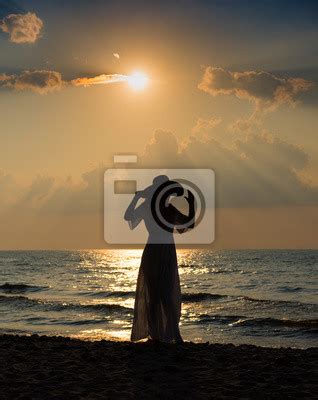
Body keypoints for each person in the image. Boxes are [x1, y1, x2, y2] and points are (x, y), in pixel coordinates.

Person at [124, 175, 195, 342]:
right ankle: (167, 334)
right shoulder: (164, 208)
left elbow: (128, 216)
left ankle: (158, 334)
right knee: (163, 294)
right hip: (164, 250)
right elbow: (187, 224)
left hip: (155, 250)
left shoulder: (151, 207)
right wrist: (191, 205)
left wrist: (136, 197)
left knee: (158, 294)